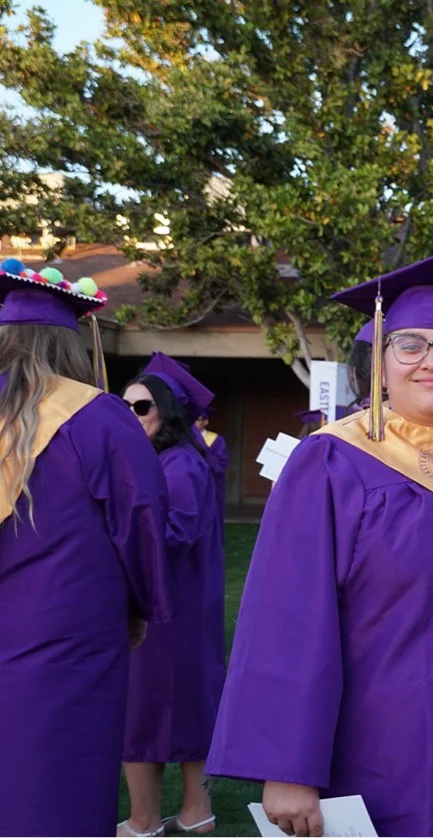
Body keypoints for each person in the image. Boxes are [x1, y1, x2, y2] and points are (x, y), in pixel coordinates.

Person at [207, 254, 433, 837]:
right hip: (386, 748)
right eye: (410, 344)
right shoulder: (332, 462)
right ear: (381, 365)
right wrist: (288, 768)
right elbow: (289, 619)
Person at [0, 267, 171, 837]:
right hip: (68, 644)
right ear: (72, 343)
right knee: (55, 792)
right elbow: (142, 525)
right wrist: (143, 606)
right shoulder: (100, 420)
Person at [119, 352, 225, 837]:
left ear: (167, 411)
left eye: (141, 408)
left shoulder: (179, 465)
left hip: (164, 607)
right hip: (176, 606)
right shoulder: (166, 461)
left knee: (144, 709)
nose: (131, 416)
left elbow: (170, 536)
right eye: (125, 407)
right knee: (183, 705)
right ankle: (192, 813)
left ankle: (145, 820)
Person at [195, 408, 228, 521]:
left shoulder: (217, 440)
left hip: (212, 482)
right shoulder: (186, 439)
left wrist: (205, 453)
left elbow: (221, 463)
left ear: (205, 422)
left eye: (198, 419)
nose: (194, 423)